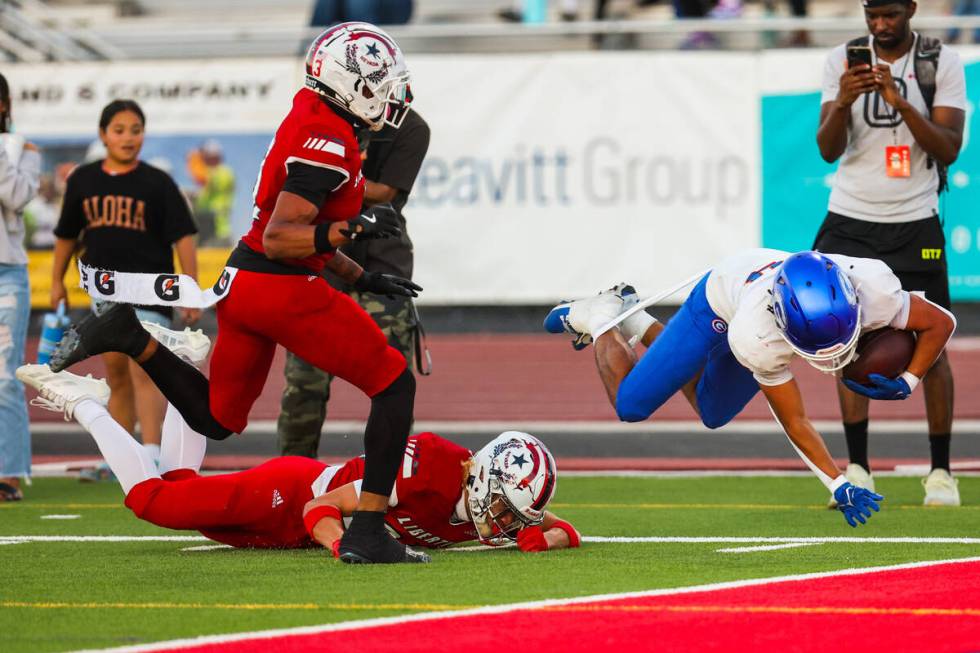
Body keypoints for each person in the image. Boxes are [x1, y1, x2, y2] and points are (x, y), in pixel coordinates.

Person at [50, 23, 426, 565]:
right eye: (381, 80)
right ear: (352, 82)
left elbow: (292, 231)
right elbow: (283, 238)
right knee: (394, 385)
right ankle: (368, 529)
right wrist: (352, 231)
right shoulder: (331, 138)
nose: (390, 92)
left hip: (245, 285)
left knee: (217, 419)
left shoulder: (312, 114)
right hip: (279, 286)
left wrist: (359, 275)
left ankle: (131, 337)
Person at [545, 249, 956, 527]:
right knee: (631, 404)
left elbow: (941, 322)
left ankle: (637, 320)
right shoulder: (756, 337)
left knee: (713, 412)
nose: (834, 356)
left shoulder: (875, 289)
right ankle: (603, 316)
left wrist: (908, 379)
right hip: (721, 299)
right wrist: (837, 482)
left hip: (765, 286)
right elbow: (794, 419)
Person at [16, 359, 578, 556]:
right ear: (483, 476)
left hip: (287, 528)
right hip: (290, 496)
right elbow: (321, 510)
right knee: (151, 500)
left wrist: (542, 536)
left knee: (184, 483)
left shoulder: (494, 498)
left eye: (512, 516)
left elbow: (565, 530)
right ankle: (87, 406)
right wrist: (347, 546)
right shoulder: (431, 468)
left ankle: (182, 362)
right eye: (504, 510)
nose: (501, 523)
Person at [814, 0, 966, 506]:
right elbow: (827, 150)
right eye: (872, 14)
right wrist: (841, 100)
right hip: (850, 220)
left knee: (932, 342)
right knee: (844, 343)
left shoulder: (939, 60)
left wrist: (900, 102)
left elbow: (948, 147)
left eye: (890, 15)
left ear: (910, 9)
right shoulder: (843, 59)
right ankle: (858, 466)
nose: (880, 25)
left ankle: (941, 472)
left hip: (913, 220)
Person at [50, 100, 200, 477]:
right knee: (115, 372)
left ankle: (150, 452)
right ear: (103, 134)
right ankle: (119, 455)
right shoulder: (83, 181)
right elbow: (66, 236)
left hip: (149, 289)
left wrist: (190, 289)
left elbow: (184, 236)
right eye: (119, 130)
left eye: (135, 129)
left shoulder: (157, 182)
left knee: (145, 369)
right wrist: (56, 280)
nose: (128, 137)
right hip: (105, 291)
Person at [278, 102, 430, 459]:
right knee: (304, 384)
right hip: (321, 266)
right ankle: (291, 479)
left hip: (383, 260)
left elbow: (386, 193)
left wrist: (332, 177)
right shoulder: (321, 116)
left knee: (393, 383)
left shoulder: (411, 126)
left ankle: (390, 481)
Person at [0, 73, 40, 502]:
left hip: (7, 272)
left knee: (5, 377)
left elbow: (16, 197)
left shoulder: (21, 148)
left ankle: (8, 474)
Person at [187, 139, 236, 246]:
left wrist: (194, 159)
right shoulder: (223, 172)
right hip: (210, 226)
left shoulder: (221, 172)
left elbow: (203, 179)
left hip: (216, 228)